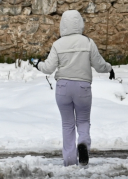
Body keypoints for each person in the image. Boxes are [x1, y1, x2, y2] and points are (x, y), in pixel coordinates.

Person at [31, 10, 114, 167]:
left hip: (63, 87)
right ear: (80, 23)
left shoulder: (58, 44)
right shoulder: (88, 42)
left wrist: (37, 63)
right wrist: (109, 69)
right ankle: (82, 144)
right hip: (82, 87)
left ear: (63, 24)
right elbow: (99, 64)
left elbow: (48, 68)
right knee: (83, 120)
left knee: (67, 124)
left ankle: (69, 161)